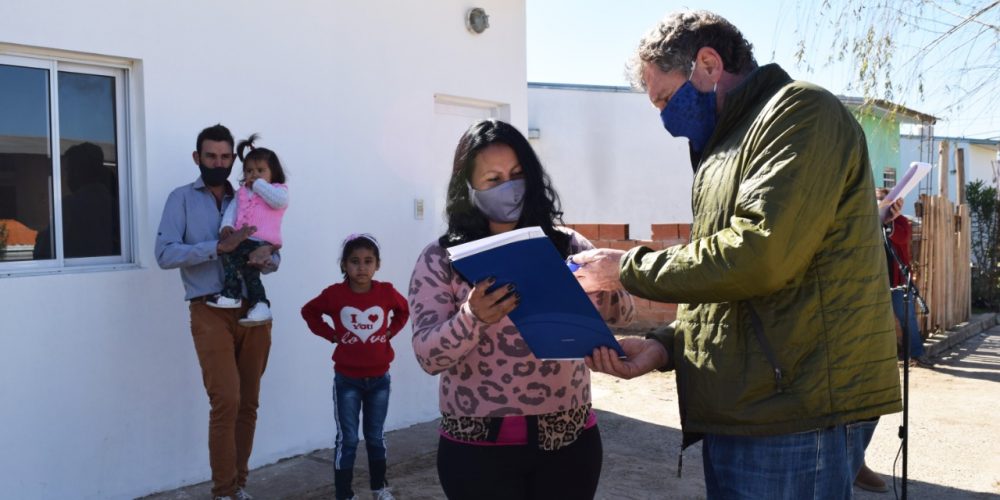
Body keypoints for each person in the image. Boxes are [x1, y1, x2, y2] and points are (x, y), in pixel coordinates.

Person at [581, 10, 902, 499]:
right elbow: (724, 282)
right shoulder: (725, 145)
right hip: (752, 408)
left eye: (666, 98)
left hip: (794, 413)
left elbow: (759, 255)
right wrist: (666, 345)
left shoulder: (799, 113)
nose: (666, 117)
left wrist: (626, 268)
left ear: (707, 64)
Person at [407, 119, 635, 499]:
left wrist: (604, 296)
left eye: (516, 174)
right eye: (493, 179)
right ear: (468, 188)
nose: (508, 188)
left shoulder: (567, 244)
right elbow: (428, 356)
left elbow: (624, 315)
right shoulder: (440, 259)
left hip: (569, 444)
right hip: (477, 452)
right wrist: (472, 317)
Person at [155, 124, 279, 500]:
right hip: (209, 308)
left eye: (226, 157)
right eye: (211, 156)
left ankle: (239, 486)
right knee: (226, 399)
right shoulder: (180, 199)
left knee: (249, 402)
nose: (219, 163)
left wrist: (267, 258)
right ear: (198, 158)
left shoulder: (248, 195)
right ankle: (223, 491)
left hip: (252, 309)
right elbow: (164, 254)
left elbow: (272, 246)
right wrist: (216, 248)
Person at [301, 233, 410, 500]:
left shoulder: (385, 291)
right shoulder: (334, 295)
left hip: (380, 380)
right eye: (355, 261)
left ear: (377, 265)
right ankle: (344, 494)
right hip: (347, 380)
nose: (362, 268)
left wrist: (389, 332)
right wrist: (332, 335)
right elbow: (309, 312)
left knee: (375, 436)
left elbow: (404, 311)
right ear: (344, 265)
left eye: (368, 261)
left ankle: (379, 488)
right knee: (347, 439)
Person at [211, 134, 289, 327]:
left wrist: (260, 184)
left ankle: (234, 294)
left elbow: (279, 201)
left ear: (274, 172)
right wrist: (226, 226)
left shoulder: (278, 189)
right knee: (245, 270)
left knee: (238, 262)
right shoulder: (242, 193)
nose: (253, 175)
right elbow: (231, 211)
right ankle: (258, 305)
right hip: (243, 239)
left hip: (263, 240)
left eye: (260, 170)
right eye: (249, 171)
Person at [876, 188, 931, 367]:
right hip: (874, 281)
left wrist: (889, 222)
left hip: (897, 281)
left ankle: (917, 353)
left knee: (907, 318)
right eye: (877, 200)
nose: (879, 204)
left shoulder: (901, 221)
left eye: (882, 200)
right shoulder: (868, 223)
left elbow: (902, 237)